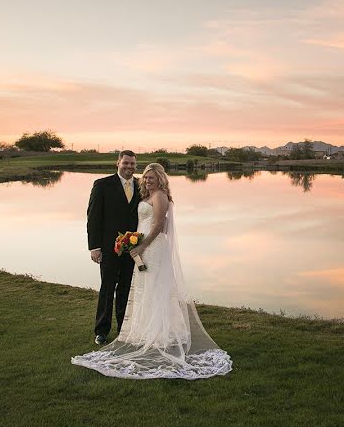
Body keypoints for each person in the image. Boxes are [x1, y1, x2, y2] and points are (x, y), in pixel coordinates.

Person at [72, 163, 232, 380]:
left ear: (160, 179)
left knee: (156, 286)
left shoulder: (160, 196)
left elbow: (158, 226)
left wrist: (142, 245)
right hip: (141, 246)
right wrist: (130, 241)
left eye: (152, 178)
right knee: (143, 287)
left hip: (152, 247)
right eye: (145, 178)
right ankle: (142, 329)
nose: (147, 181)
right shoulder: (146, 194)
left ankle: (160, 332)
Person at [86, 150, 140, 345]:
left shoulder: (141, 185)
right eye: (126, 163)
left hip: (133, 247)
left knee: (127, 288)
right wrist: (95, 247)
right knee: (107, 288)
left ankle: (124, 329)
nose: (129, 167)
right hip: (109, 248)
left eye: (133, 164)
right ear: (117, 163)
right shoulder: (102, 185)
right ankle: (101, 330)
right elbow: (93, 217)